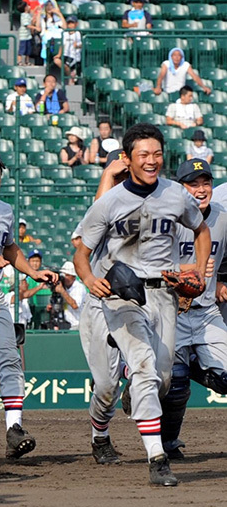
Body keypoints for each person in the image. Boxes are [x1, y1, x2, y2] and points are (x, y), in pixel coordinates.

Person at [74, 123, 210, 486]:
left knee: (162, 377)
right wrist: (88, 279)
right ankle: (155, 457)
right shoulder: (109, 203)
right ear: (128, 159)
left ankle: (139, 395)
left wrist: (198, 271)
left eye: (157, 154)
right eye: (144, 155)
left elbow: (200, 230)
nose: (152, 161)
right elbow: (81, 254)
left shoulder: (177, 195)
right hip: (119, 295)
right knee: (129, 377)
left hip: (164, 294)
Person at [0, 147, 58, 458]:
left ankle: (14, 428)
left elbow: (10, 247)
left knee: (9, 358)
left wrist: (32, 271)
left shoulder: (4, 210)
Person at [161, 159, 227, 460]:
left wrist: (221, 280)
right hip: (170, 311)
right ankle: (168, 442)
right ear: (181, 188)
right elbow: (149, 264)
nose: (201, 190)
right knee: (174, 384)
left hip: (206, 312)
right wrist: (186, 268)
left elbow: (225, 255)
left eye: (205, 183)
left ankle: (189, 369)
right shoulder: (169, 219)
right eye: (193, 184)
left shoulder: (223, 217)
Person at [54, 261, 86, 330]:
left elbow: (75, 305)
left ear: (73, 277)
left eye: (67, 275)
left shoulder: (79, 287)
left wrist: (62, 291)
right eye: (64, 275)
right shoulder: (63, 286)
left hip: (76, 324)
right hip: (64, 324)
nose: (65, 278)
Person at [62, 15, 82, 84]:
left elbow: (80, 45)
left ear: (76, 24)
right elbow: (63, 45)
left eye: (72, 23)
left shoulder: (77, 33)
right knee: (57, 61)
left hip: (74, 56)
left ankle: (71, 78)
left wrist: (77, 46)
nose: (70, 25)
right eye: (69, 23)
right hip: (66, 54)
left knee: (66, 65)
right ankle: (71, 75)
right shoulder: (65, 33)